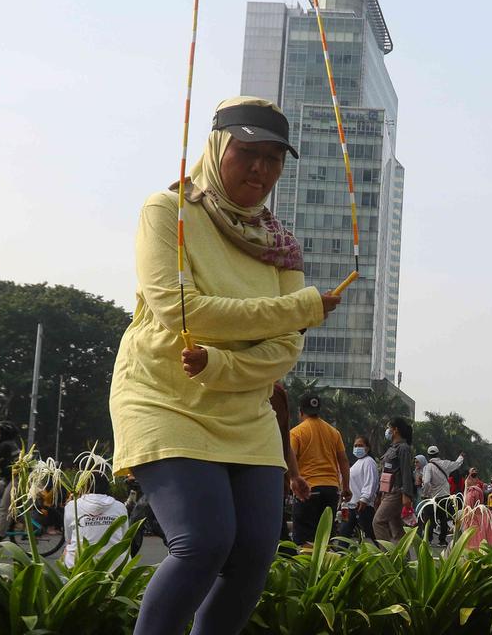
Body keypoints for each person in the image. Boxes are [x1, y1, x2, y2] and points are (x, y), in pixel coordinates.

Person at [108, 97, 342, 635]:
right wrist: (303, 307)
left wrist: (218, 364)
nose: (260, 169)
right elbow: (179, 310)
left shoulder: (280, 243)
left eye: (273, 158)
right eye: (246, 152)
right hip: (164, 397)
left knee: (254, 555)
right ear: (217, 148)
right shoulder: (168, 211)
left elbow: (286, 348)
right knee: (203, 543)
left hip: (246, 408)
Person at [289, 394, 350, 545]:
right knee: (325, 537)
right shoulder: (334, 432)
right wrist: (346, 487)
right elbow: (343, 460)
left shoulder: (296, 432)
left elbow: (290, 458)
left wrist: (290, 480)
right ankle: (325, 567)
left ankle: (308, 567)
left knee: (305, 538)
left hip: (308, 489)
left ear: (301, 411)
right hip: (331, 489)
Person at [62, 471, 130, 569]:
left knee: (67, 549)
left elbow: (68, 539)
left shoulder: (72, 506)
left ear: (83, 486)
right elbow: (125, 537)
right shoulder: (120, 506)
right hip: (115, 565)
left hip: (79, 566)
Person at [373, 416, 415, 543]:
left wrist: (406, 494)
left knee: (378, 522)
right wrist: (380, 494)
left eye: (388, 427)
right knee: (396, 527)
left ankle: (386, 556)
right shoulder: (393, 448)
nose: (387, 430)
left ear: (395, 429)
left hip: (396, 492)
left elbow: (406, 472)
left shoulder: (403, 448)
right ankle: (403, 560)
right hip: (387, 491)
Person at [420, 445, 465, 547]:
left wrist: (425, 493)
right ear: (438, 453)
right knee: (443, 518)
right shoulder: (445, 463)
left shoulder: (428, 467)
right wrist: (461, 456)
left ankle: (429, 539)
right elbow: (457, 464)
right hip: (445, 495)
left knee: (430, 518)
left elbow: (426, 482)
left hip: (433, 497)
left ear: (428, 455)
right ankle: (442, 540)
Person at [338, 435, 378, 544]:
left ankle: (384, 554)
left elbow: (371, 482)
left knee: (372, 533)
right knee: (344, 532)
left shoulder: (369, 462)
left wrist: (364, 499)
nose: (357, 448)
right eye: (355, 446)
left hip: (362, 505)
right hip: (350, 505)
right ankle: (341, 555)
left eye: (360, 445)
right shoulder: (357, 463)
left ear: (367, 448)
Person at [458, 471, 492, 549]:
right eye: (472, 475)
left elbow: (469, 506)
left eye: (475, 475)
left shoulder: (472, 491)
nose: (474, 478)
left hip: (474, 517)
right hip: (489, 553)